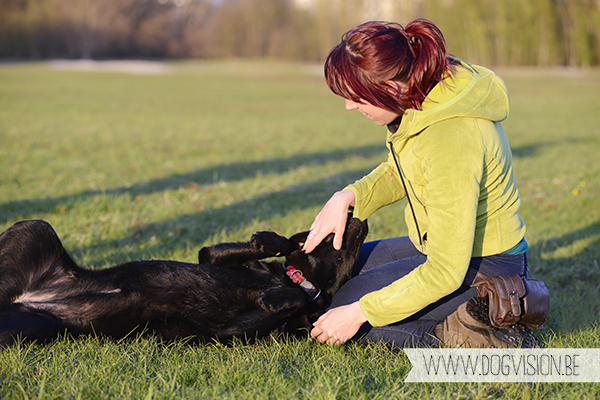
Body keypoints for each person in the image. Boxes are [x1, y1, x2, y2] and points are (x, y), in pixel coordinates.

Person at [302, 19, 535, 348]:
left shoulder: (450, 136)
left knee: (345, 310)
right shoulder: (422, 104)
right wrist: (348, 196)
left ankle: (488, 337)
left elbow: (445, 271)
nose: (349, 106)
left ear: (392, 85)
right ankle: (462, 317)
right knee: (347, 271)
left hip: (488, 264)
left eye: (357, 96)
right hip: (448, 247)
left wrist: (358, 313)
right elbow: (405, 172)